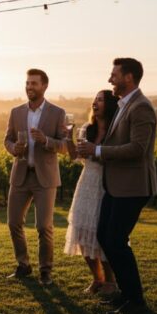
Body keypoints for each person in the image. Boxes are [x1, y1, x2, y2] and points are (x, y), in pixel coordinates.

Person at [77, 57, 157, 314]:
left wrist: (97, 150)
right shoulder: (125, 105)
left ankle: (135, 300)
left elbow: (137, 149)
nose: (110, 79)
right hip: (116, 185)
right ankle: (126, 294)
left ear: (129, 78)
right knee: (105, 236)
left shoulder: (141, 107)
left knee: (116, 240)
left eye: (114, 75)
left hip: (133, 186)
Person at [4, 69, 68, 286]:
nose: (29, 87)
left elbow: (66, 146)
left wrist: (46, 140)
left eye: (34, 83)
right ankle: (23, 265)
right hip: (21, 175)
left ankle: (45, 271)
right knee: (13, 223)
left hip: (45, 178)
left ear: (44, 86)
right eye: (27, 83)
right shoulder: (16, 112)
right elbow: (7, 140)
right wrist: (14, 148)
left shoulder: (57, 113)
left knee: (43, 227)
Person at [64, 90, 119, 295]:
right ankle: (97, 278)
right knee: (81, 231)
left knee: (102, 234)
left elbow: (114, 158)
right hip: (86, 183)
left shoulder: (116, 131)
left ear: (110, 105)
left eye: (101, 99)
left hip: (106, 185)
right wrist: (67, 137)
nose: (95, 102)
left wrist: (94, 150)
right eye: (95, 99)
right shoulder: (87, 129)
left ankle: (111, 282)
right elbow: (74, 156)